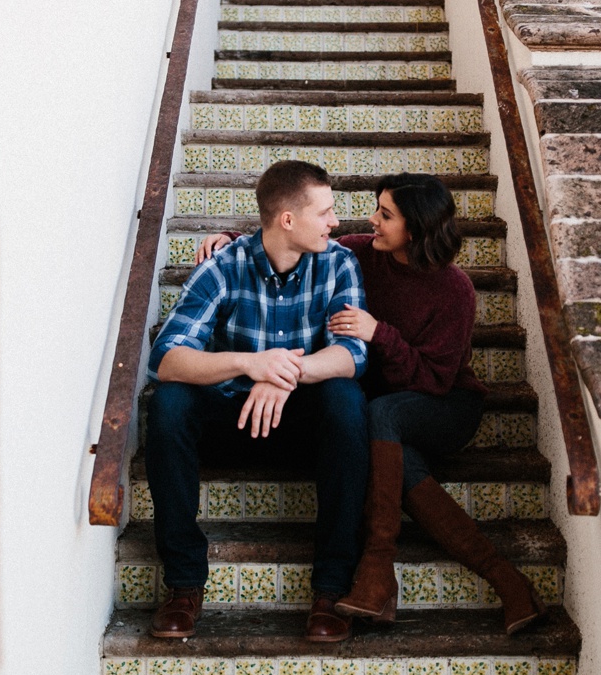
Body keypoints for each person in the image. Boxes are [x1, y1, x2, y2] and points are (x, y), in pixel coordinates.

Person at [199, 172, 544, 635]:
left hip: (442, 408)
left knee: (379, 415)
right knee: (392, 456)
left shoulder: (454, 290)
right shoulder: (360, 252)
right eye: (376, 210)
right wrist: (230, 241)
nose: (371, 220)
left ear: (416, 229)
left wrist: (379, 333)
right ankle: (509, 582)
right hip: (384, 415)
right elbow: (293, 233)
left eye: (385, 214)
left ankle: (379, 565)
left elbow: (432, 381)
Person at [146, 160, 369, 643]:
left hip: (303, 426)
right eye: (326, 211)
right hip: (233, 422)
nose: (335, 222)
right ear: (287, 220)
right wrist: (250, 365)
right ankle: (184, 584)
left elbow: (353, 353)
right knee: (168, 404)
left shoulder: (338, 263)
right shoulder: (224, 267)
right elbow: (166, 355)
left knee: (347, 400)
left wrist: (285, 372)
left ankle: (331, 590)